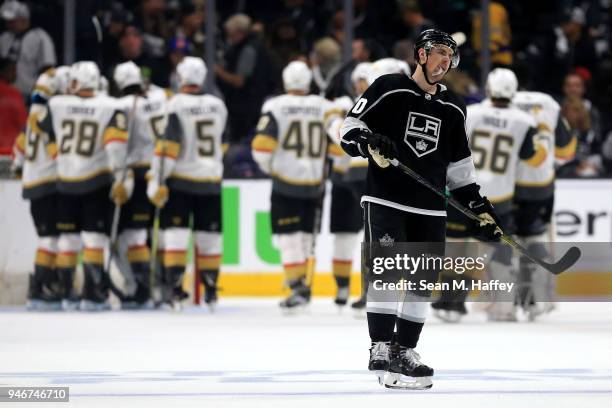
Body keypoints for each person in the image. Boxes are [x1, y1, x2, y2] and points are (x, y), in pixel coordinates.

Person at [339, 29, 502, 390]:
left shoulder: (454, 108)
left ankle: (405, 350)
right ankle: (380, 344)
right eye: (439, 52)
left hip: (430, 208)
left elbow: (460, 172)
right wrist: (368, 142)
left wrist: (480, 208)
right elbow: (349, 128)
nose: (445, 61)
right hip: (386, 198)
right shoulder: (389, 87)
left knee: (421, 281)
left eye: (451, 56)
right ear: (421, 55)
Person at [433, 68, 545, 323]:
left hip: (463, 189)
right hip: (499, 197)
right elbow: (533, 157)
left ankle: (447, 301)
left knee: (454, 248)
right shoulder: (525, 122)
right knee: (478, 251)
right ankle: (467, 303)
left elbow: (449, 145)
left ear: (489, 89)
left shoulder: (471, 113)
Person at [251, 61, 343, 311]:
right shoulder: (325, 107)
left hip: (285, 181)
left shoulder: (274, 106)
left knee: (289, 237)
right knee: (304, 236)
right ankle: (303, 286)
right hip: (315, 182)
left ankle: (296, 287)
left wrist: (272, 168)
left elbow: (260, 147)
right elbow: (338, 148)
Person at [38, 61, 129, 311]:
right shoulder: (111, 106)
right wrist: (120, 177)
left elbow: (43, 130)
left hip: (65, 181)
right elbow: (115, 146)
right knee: (93, 239)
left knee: (67, 240)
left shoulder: (57, 104)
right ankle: (92, 294)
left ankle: (67, 295)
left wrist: (60, 159)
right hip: (96, 181)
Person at [146, 56, 227, 309]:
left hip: (180, 181)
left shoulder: (174, 105)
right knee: (209, 239)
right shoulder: (218, 105)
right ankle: (211, 292)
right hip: (211, 180)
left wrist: (155, 181)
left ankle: (175, 292)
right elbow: (223, 142)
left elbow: (168, 148)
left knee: (176, 238)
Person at [513, 88, 575, 320]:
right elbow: (567, 151)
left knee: (507, 240)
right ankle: (540, 299)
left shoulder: (500, 104)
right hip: (542, 185)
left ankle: (505, 303)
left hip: (509, 185)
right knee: (539, 236)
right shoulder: (550, 104)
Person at [11, 66, 70, 310]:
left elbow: (18, 152)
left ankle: (45, 285)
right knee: (53, 239)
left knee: (48, 238)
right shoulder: (52, 115)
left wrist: (22, 169)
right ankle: (41, 286)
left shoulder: (33, 115)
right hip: (49, 184)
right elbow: (59, 155)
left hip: (33, 186)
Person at [113, 61, 168, 309]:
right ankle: (161, 287)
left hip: (137, 172)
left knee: (133, 234)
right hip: (163, 172)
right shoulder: (161, 96)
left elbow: (118, 144)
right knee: (156, 234)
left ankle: (141, 290)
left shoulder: (124, 105)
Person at [0, 0, 56, 99]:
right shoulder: (4, 38)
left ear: (23, 19)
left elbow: (48, 69)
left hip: (30, 94)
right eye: (7, 22)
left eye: (12, 22)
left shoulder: (40, 37)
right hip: (6, 95)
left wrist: (41, 94)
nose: (8, 25)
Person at [0, 56, 26, 151]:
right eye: (13, 70)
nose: (15, 74)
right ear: (3, 72)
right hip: (9, 152)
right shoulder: (13, 94)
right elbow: (23, 126)